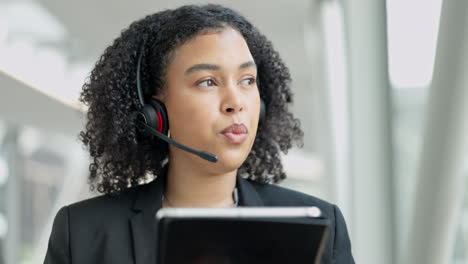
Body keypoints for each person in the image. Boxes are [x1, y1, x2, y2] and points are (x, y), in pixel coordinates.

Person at [44, 4, 354, 264]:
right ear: (156, 113)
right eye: (208, 81)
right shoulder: (83, 233)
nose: (236, 102)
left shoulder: (322, 226)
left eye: (247, 80)